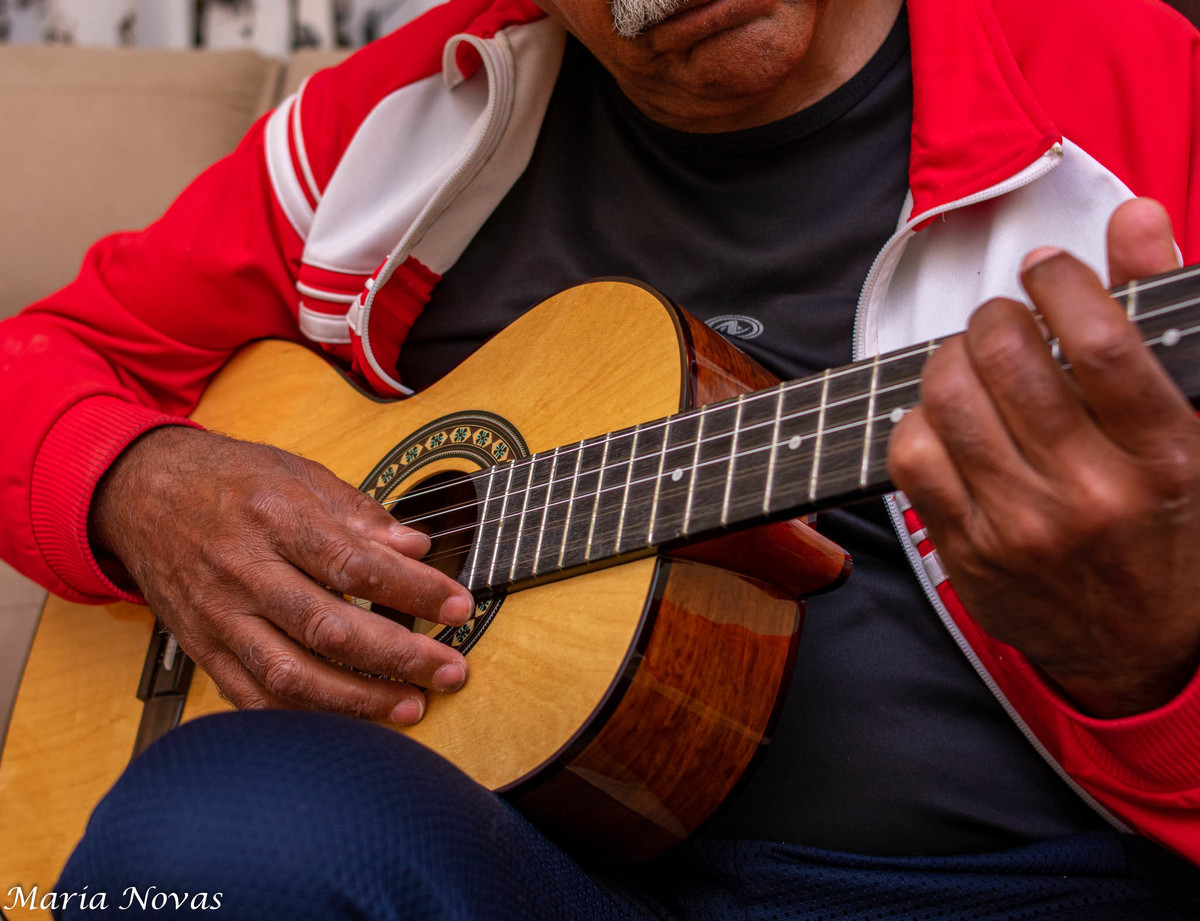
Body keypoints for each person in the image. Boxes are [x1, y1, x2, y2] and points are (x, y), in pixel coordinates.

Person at [1, 0, 1199, 916]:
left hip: (996, 885)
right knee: (208, 842)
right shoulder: (409, 114)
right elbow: (41, 360)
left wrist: (1149, 666)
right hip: (509, 863)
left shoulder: (1146, 87)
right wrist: (140, 485)